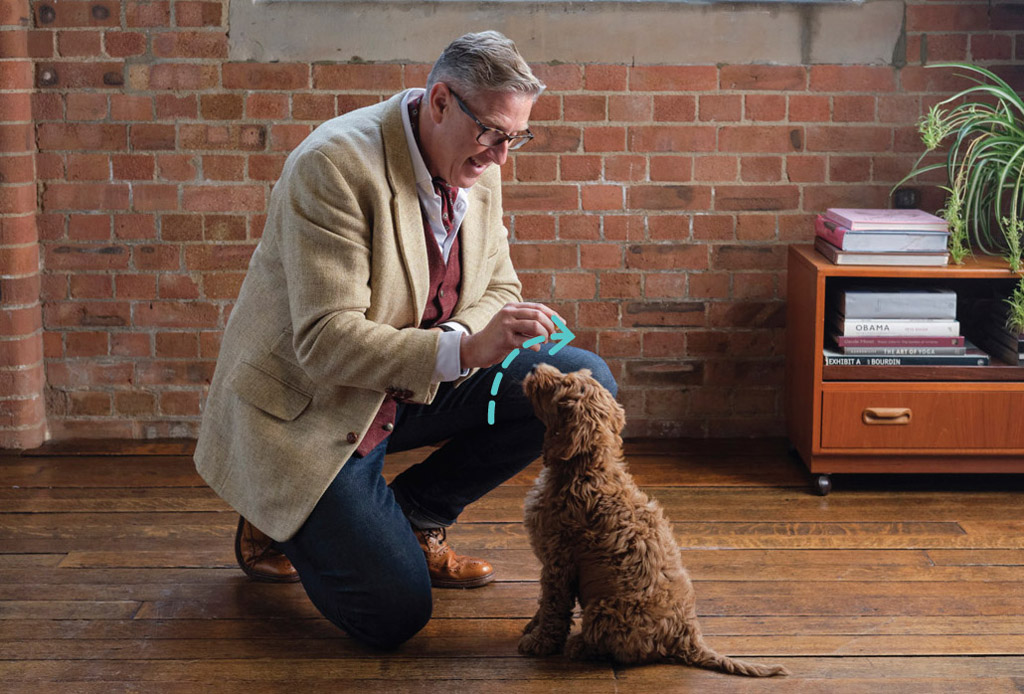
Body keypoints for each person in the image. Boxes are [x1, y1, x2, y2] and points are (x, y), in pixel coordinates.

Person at [194, 31, 616, 649]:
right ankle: (273, 514)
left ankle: (417, 515)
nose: (502, 157)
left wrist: (459, 342)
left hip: (408, 388)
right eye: (494, 134)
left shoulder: (475, 161)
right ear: (440, 101)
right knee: (393, 614)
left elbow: (500, 285)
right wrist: (465, 350)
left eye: (515, 137)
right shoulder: (333, 166)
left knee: (581, 384)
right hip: (316, 408)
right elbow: (324, 340)